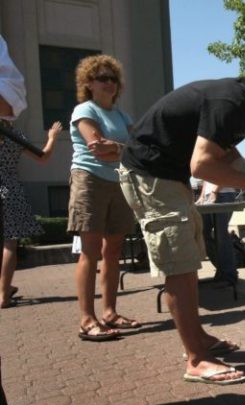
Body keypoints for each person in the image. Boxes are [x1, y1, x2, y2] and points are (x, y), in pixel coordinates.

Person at [119, 68, 245, 385]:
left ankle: (197, 338)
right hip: (151, 175)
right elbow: (202, 165)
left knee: (187, 262)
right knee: (179, 266)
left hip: (166, 176)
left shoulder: (238, 103)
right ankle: (197, 359)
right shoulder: (229, 102)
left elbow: (225, 151)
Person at [68, 54, 141, 341]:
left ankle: (109, 312)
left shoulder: (123, 116)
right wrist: (117, 148)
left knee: (113, 250)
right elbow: (96, 148)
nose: (109, 83)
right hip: (89, 180)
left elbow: (137, 151)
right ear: (89, 83)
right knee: (91, 250)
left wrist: (117, 148)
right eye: (102, 78)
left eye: (113, 78)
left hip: (119, 182)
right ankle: (87, 319)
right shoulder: (84, 110)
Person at [0, 37, 61, 310]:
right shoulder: (13, 134)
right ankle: (3, 292)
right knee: (10, 241)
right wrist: (52, 137)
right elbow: (44, 158)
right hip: (8, 186)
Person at [196, 180, 239, 285]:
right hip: (208, 195)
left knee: (221, 233)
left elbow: (223, 173)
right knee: (202, 233)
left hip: (223, 193)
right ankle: (222, 269)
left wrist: (215, 192)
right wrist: (202, 196)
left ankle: (229, 275)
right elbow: (206, 178)